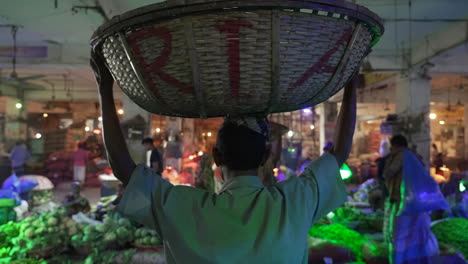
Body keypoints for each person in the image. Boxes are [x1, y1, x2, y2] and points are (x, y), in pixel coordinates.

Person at [91, 47, 357, 263]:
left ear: (215, 157)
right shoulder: (294, 202)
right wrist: (351, 83)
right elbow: (340, 151)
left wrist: (104, 87)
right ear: (266, 156)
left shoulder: (181, 206)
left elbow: (122, 168)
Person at [382, 135, 440, 264]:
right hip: (416, 202)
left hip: (402, 203)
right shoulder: (415, 156)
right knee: (417, 235)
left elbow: (388, 173)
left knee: (400, 236)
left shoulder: (400, 156)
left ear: (395, 145)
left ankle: (401, 260)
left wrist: (387, 161)